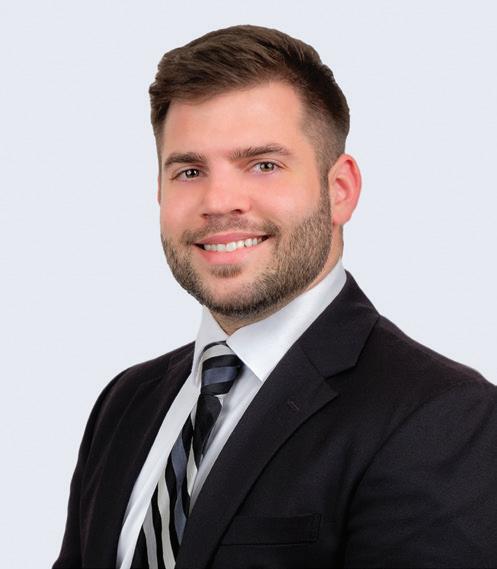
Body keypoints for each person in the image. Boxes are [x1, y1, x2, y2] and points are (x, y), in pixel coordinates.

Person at [53, 24, 497, 569]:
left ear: (340, 190)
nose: (219, 201)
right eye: (189, 171)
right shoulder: (126, 403)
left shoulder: (441, 417)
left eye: (264, 165)